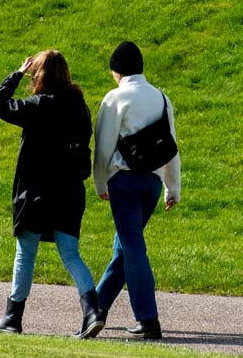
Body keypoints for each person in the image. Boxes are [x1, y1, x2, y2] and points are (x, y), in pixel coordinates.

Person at [0, 50, 104, 339]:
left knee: (26, 255)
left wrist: (16, 73)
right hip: (69, 191)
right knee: (71, 255)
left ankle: (13, 317)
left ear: (38, 75)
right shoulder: (80, 107)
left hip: (36, 193)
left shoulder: (38, 106)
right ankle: (92, 312)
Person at [91, 41, 181, 340]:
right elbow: (170, 147)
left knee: (133, 249)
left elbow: (104, 146)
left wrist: (100, 181)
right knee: (125, 247)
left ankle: (148, 319)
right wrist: (173, 186)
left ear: (116, 70)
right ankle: (97, 307)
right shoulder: (162, 98)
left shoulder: (115, 98)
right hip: (152, 184)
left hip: (124, 182)